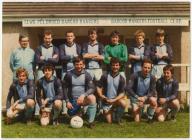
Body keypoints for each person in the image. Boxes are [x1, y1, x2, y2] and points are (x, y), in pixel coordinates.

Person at [63, 56, 97, 128]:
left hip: (83, 100)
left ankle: (91, 122)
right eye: (77, 64)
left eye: (81, 64)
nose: (79, 66)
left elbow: (92, 88)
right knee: (74, 119)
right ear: (74, 65)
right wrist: (67, 101)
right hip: (72, 101)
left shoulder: (87, 74)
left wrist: (84, 95)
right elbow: (64, 88)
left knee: (92, 97)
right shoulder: (68, 74)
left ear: (83, 65)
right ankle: (80, 112)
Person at [126, 59, 157, 123]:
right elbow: (128, 88)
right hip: (136, 97)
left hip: (145, 97)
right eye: (145, 67)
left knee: (153, 101)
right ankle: (133, 110)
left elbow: (152, 91)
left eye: (149, 68)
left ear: (151, 68)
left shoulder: (152, 77)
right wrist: (137, 97)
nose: (147, 69)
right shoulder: (134, 75)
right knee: (137, 121)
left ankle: (150, 117)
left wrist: (144, 98)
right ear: (141, 67)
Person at [97, 57, 127, 124]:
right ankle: (106, 113)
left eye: (117, 65)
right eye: (113, 65)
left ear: (119, 66)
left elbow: (122, 93)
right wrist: (101, 96)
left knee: (123, 103)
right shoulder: (105, 76)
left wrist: (114, 100)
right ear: (110, 66)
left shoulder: (122, 78)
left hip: (115, 101)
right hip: (106, 101)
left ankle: (118, 119)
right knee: (109, 122)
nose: (115, 67)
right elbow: (98, 87)